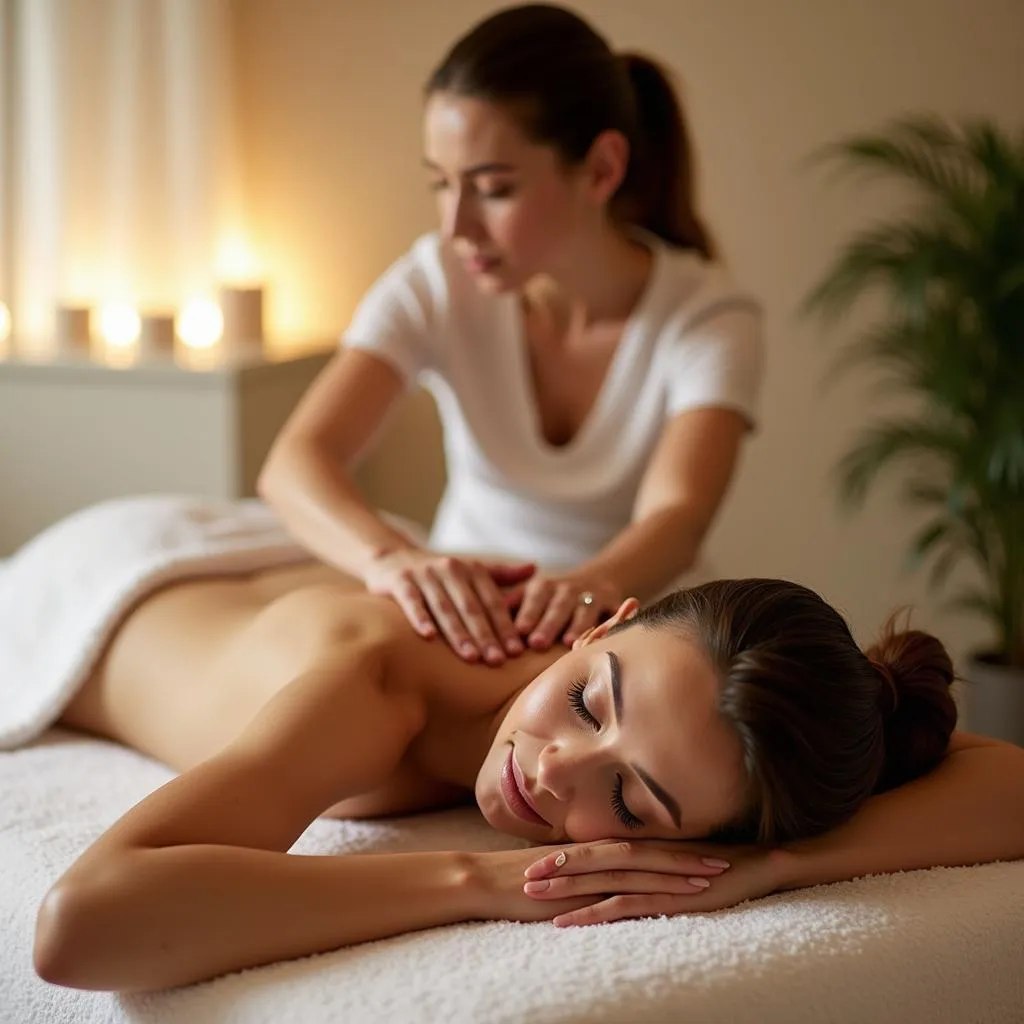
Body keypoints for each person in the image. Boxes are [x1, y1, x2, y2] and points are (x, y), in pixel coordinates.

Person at [32, 555, 1024, 992]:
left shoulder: (705, 709)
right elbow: (83, 925)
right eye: (591, 700)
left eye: (632, 799)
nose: (553, 771)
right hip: (107, 580)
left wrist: (770, 866)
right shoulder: (373, 691)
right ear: (608, 620)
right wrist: (478, 881)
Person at [259, 4, 764, 667]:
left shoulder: (707, 316)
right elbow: (296, 463)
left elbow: (678, 515)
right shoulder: (436, 280)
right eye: (441, 185)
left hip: (634, 637)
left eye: (492, 189)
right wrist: (394, 562)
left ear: (603, 169)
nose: (456, 227)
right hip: (463, 624)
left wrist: (595, 586)